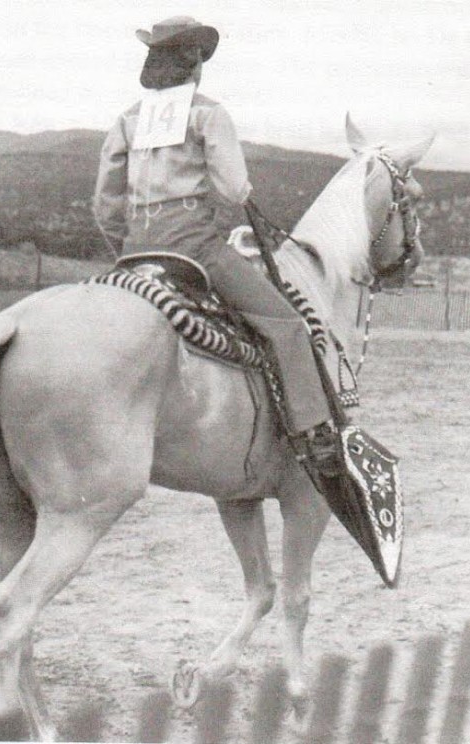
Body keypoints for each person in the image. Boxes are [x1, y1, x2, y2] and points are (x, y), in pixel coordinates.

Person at [93, 15, 338, 470]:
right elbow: (231, 186)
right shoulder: (208, 113)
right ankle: (315, 432)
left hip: (134, 250)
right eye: (200, 58)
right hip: (194, 246)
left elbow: (104, 203)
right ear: (194, 63)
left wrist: (125, 248)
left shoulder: (126, 121)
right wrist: (243, 195)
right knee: (285, 324)